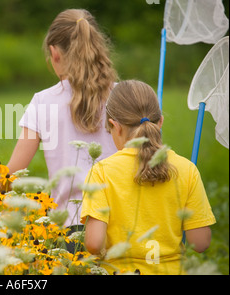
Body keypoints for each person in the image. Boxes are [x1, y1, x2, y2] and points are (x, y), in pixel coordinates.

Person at [80, 79, 216, 275]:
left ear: (114, 126)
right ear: (160, 121)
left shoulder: (101, 171)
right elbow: (201, 242)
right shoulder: (187, 169)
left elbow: (93, 243)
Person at [6, 9, 118, 234]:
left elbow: (14, 173)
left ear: (54, 52)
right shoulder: (125, 95)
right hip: (122, 225)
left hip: (70, 229)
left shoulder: (43, 101)